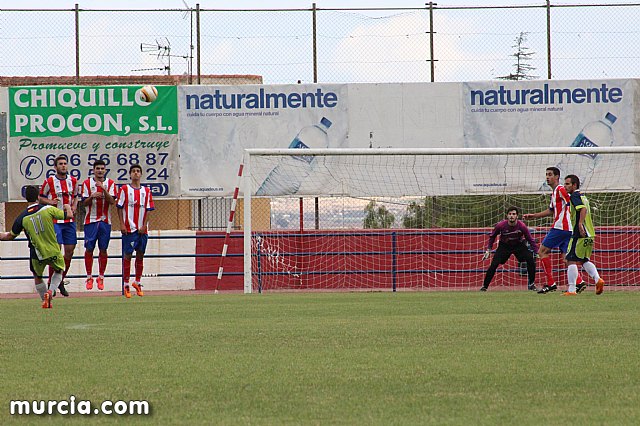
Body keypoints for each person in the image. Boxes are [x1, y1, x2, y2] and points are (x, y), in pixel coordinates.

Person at [0, 185, 73, 308]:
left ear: (26, 198)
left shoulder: (21, 218)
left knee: (38, 276)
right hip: (53, 250)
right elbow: (69, 216)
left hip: (36, 253)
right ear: (38, 197)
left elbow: (9, 236)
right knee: (59, 270)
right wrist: (67, 207)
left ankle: (45, 299)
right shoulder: (48, 209)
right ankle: (51, 291)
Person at [523, 166, 586, 294]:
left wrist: (578, 220)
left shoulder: (561, 189)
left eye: (550, 174)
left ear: (557, 177)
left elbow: (572, 201)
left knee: (542, 251)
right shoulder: (555, 192)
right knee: (567, 258)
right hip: (568, 229)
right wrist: (534, 216)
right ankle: (579, 282)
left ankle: (551, 283)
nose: (547, 177)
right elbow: (551, 210)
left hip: (560, 227)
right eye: (546, 174)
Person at [39, 155, 78, 297]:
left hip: (69, 222)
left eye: (65, 164)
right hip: (55, 221)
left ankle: (59, 279)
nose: (63, 166)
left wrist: (73, 207)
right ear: (55, 167)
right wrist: (50, 202)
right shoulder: (49, 181)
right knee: (56, 252)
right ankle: (52, 283)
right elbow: (40, 197)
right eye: (60, 164)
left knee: (70, 252)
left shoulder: (73, 181)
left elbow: (76, 197)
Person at [562, 175, 605, 295]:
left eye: (567, 184)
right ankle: (598, 279)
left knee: (570, 259)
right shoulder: (583, 197)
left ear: (574, 185)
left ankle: (571, 290)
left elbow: (583, 210)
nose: (565, 186)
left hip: (580, 233)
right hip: (590, 234)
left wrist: (580, 224)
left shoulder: (575, 196)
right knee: (584, 260)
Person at [116, 164, 154, 298]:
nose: (136, 173)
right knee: (128, 255)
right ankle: (126, 284)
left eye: (138, 171)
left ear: (141, 174)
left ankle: (137, 282)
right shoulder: (125, 189)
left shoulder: (147, 191)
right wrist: (121, 223)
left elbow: (149, 209)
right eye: (133, 171)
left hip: (142, 230)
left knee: (140, 255)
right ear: (130, 174)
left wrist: (145, 225)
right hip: (129, 228)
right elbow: (119, 207)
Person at [480, 207, 539, 291]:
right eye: (510, 214)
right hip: (504, 246)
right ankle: (484, 287)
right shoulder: (500, 225)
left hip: (518, 245)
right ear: (507, 216)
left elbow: (530, 239)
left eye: (514, 214)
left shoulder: (522, 226)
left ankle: (532, 284)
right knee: (494, 264)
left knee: (530, 259)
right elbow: (492, 236)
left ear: (517, 216)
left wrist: (536, 252)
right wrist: (488, 249)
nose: (512, 216)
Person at [80, 159, 117, 291]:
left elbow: (112, 201)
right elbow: (83, 203)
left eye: (102, 168)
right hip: (90, 221)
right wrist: (92, 196)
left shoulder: (111, 183)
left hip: (105, 222)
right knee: (89, 248)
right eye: (98, 168)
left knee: (103, 249)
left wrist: (103, 191)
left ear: (105, 170)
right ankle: (89, 277)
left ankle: (100, 277)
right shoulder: (86, 183)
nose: (100, 170)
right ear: (94, 170)